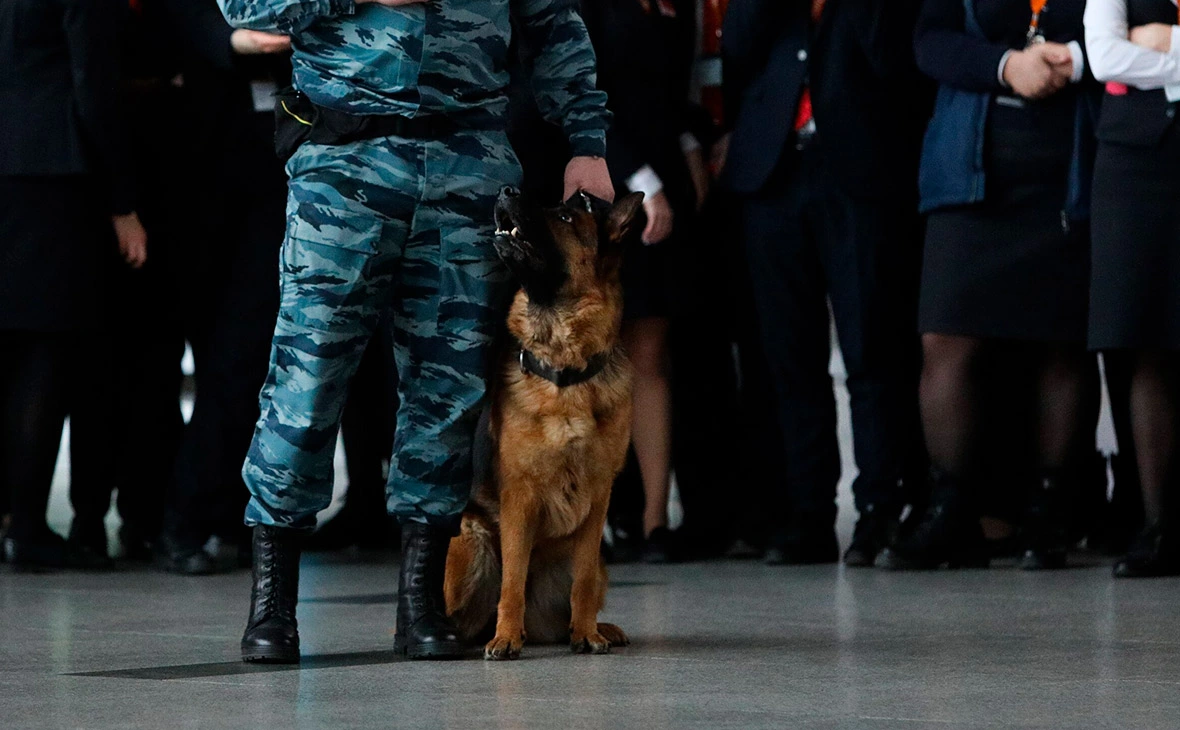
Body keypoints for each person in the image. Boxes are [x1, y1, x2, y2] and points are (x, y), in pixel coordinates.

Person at [217, 0, 613, 663]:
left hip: (468, 163)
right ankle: (273, 607)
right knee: (308, 380)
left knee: (448, 390)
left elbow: (553, 22)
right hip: (343, 167)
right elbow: (246, 7)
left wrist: (586, 140)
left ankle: (421, 605)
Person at [879, 0, 1099, 571]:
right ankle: (950, 508)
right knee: (945, 339)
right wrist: (1006, 65)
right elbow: (930, 41)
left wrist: (1076, 58)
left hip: (1072, 170)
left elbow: (1140, 33)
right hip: (970, 169)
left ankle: (1051, 514)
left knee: (1063, 343)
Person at [720, 0, 930, 566]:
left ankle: (878, 512)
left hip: (861, 175)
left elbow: (896, 60)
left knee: (873, 353)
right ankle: (807, 514)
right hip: (774, 174)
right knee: (790, 360)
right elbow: (737, 45)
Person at [0, 0, 147, 570]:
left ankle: (12, 519)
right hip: (49, 171)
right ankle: (29, 527)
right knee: (44, 352)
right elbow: (93, 86)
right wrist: (123, 203)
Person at [152, 0, 293, 574]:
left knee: (241, 360)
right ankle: (183, 520)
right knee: (213, 363)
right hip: (195, 193)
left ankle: (202, 519)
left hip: (275, 184)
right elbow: (210, 34)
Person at [582, 0, 699, 563]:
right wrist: (642, 180)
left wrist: (691, 147)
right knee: (589, 356)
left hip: (664, 173)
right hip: (605, 180)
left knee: (650, 351)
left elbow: (675, 93)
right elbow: (579, 92)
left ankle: (655, 519)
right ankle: (587, 521)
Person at [1084, 0, 1180, 577]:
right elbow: (1104, 57)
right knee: (1148, 340)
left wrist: (1164, 44)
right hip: (1135, 167)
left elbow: (1133, 55)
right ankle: (1161, 523)